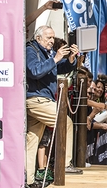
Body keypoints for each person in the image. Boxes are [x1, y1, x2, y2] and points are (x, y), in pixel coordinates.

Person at [25, 25, 82, 188]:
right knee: (66, 123)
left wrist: (70, 59)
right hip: (36, 99)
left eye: (53, 37)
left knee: (32, 139)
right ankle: (65, 164)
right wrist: (56, 58)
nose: (52, 40)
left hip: (41, 99)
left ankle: (27, 180)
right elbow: (34, 71)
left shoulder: (45, 52)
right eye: (48, 37)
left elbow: (57, 68)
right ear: (38, 38)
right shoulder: (31, 50)